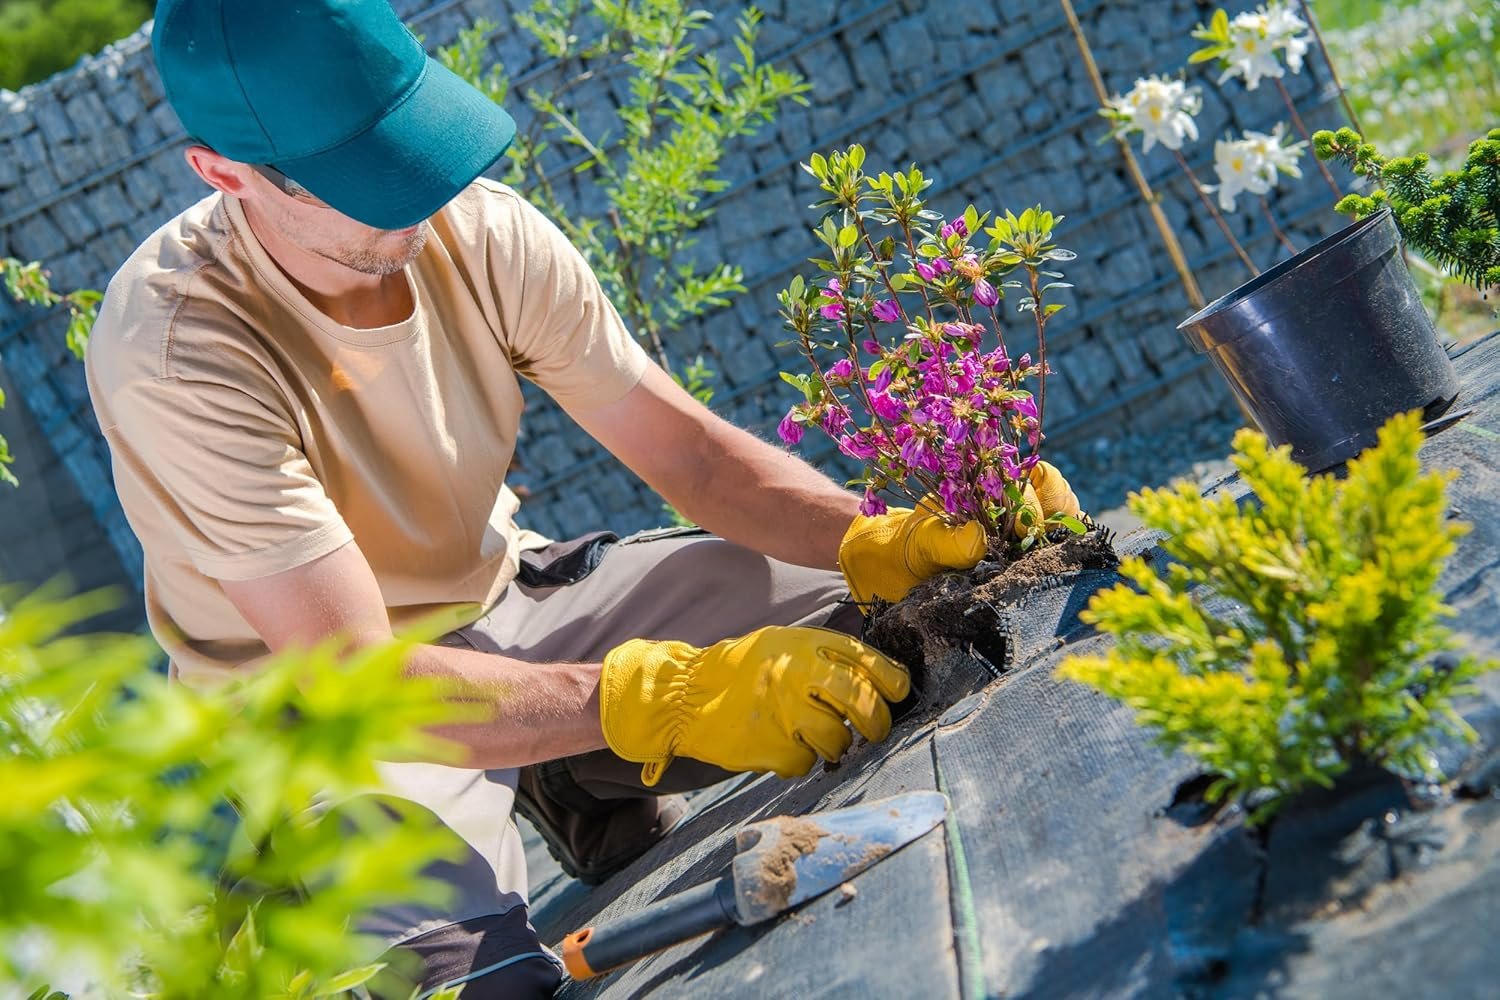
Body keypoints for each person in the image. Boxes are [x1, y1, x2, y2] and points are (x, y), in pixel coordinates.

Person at [85, 0, 1081, 995]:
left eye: (408, 138)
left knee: (909, 625)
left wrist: (878, 538)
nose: (416, 195)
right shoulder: (175, 349)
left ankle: (562, 762)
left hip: (510, 604)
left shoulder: (478, 232)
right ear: (226, 175)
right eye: (362, 173)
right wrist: (663, 697)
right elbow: (355, 676)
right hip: (331, 712)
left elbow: (691, 455)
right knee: (477, 984)